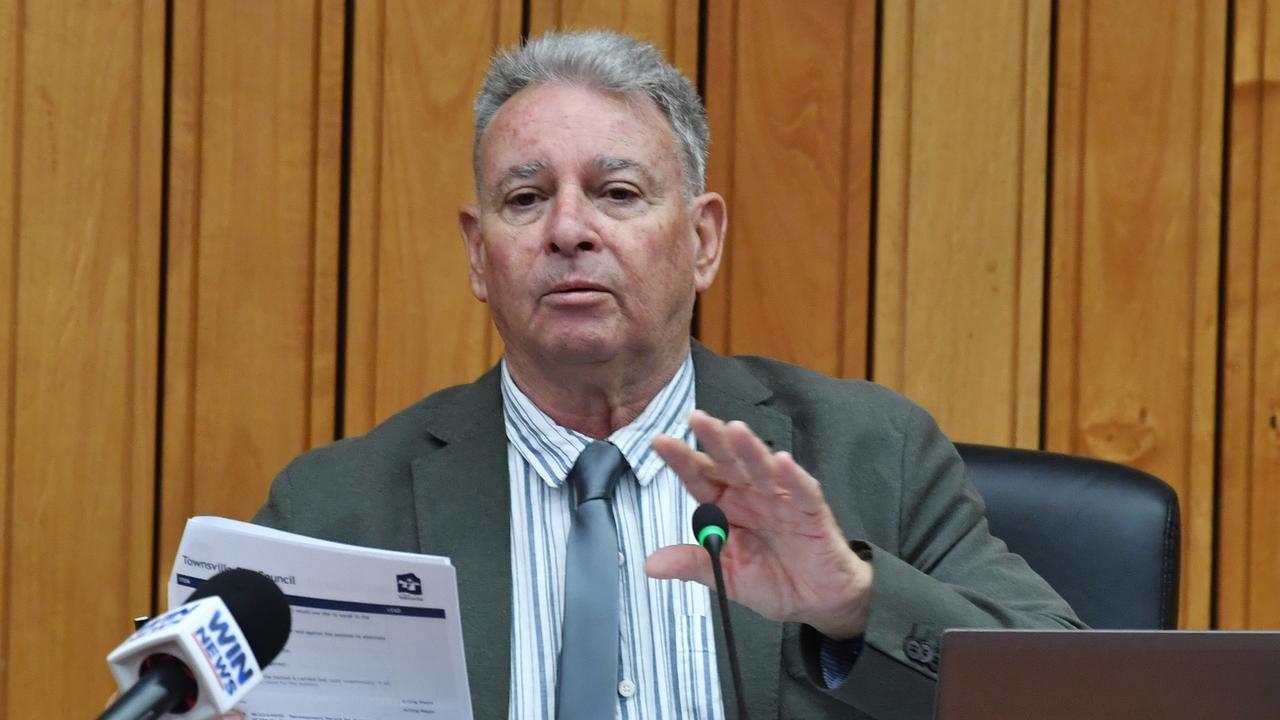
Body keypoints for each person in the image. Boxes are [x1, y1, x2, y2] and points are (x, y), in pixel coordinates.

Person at [253, 30, 1082, 720]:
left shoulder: (873, 454)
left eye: (616, 192)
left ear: (703, 240)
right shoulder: (336, 509)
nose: (568, 230)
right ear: (479, 253)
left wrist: (856, 602)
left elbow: (1074, 689)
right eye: (525, 199)